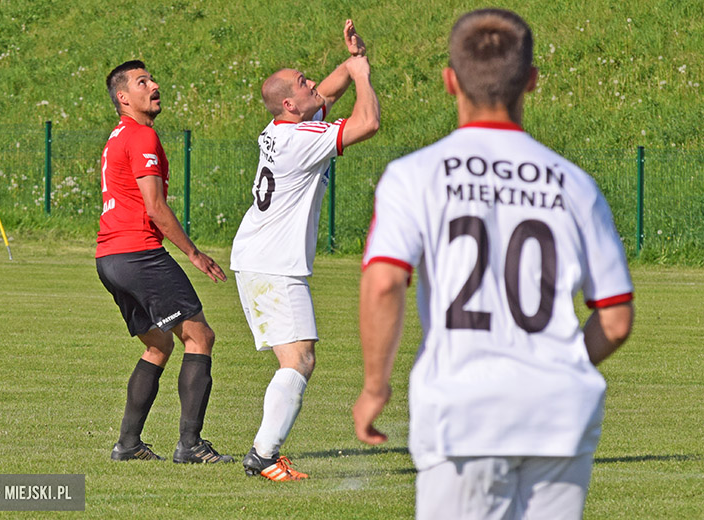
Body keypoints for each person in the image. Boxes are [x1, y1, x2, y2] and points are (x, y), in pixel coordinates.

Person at [354, 9, 634, 519]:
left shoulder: (414, 174)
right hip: (559, 410)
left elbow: (383, 284)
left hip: (465, 409)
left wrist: (376, 386)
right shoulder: (575, 183)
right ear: (531, 80)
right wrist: (552, 365)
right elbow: (615, 320)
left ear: (449, 81)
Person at [230, 20, 380, 481]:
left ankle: (264, 452)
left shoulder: (282, 125)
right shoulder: (299, 140)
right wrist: (363, 76)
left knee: (297, 358)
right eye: (303, 82)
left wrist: (350, 60)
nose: (314, 82)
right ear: (291, 104)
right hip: (272, 264)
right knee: (300, 359)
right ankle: (263, 456)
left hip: (261, 258)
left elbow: (327, 92)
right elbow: (367, 122)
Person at [96, 60, 233, 464]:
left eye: (152, 78)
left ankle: (128, 444)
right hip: (138, 253)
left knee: (157, 345)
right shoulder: (140, 136)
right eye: (142, 82)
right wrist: (193, 253)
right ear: (124, 97)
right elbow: (154, 207)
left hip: (110, 257)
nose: (154, 85)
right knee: (199, 337)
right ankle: (190, 446)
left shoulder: (118, 136)